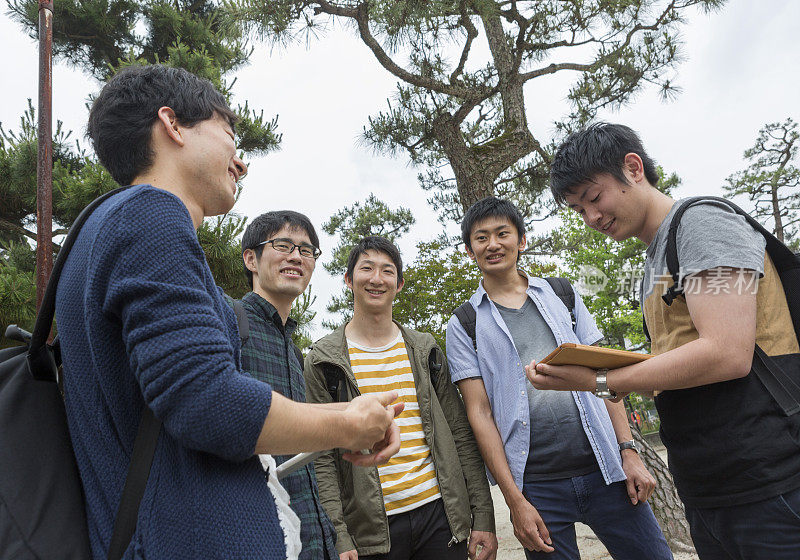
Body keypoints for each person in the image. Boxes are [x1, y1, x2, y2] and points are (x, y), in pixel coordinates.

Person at [55, 64, 401, 560]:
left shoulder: (97, 228)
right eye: (228, 134)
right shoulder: (150, 212)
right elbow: (205, 399)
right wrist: (348, 426)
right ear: (172, 124)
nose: (240, 162)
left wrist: (350, 411)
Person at [540, 122, 800, 559]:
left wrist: (598, 380)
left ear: (633, 167)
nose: (591, 218)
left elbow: (726, 352)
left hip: (768, 482)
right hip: (711, 489)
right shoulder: (655, 261)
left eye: (594, 198)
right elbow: (681, 355)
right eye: (578, 211)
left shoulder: (700, 223)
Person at [446, 197, 672, 560]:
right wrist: (514, 500)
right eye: (481, 237)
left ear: (521, 240)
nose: (493, 244)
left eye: (502, 233)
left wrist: (628, 451)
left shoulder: (561, 294)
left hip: (606, 471)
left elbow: (607, 373)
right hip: (536, 486)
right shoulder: (464, 324)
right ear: (470, 250)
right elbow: (480, 413)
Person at [304, 236, 498, 560]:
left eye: (387, 270)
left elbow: (460, 433)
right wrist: (338, 535)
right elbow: (322, 457)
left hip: (440, 517)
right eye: (367, 268)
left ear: (400, 283)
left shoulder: (425, 349)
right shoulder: (324, 361)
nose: (377, 278)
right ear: (349, 279)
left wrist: (484, 516)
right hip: (372, 533)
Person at [239, 211, 338, 560]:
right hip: (257, 536)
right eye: (283, 245)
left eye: (307, 250)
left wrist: (332, 538)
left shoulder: (297, 354)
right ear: (251, 258)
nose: (296, 256)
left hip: (312, 539)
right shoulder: (227, 323)